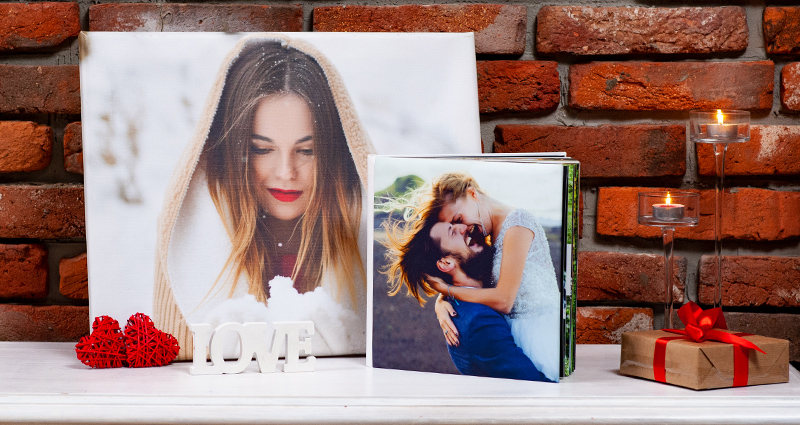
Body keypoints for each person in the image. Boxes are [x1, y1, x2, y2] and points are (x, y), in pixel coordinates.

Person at [153, 35, 374, 360]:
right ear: (234, 152)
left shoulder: (366, 241)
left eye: (307, 150)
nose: (286, 171)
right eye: (261, 149)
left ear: (332, 155)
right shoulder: (197, 241)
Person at [384, 171, 560, 382]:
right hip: (515, 331)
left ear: (472, 194)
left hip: (540, 332)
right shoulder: (486, 234)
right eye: (454, 226)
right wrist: (442, 302)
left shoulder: (517, 225)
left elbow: (503, 299)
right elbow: (477, 279)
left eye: (458, 219)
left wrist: (447, 291)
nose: (463, 228)